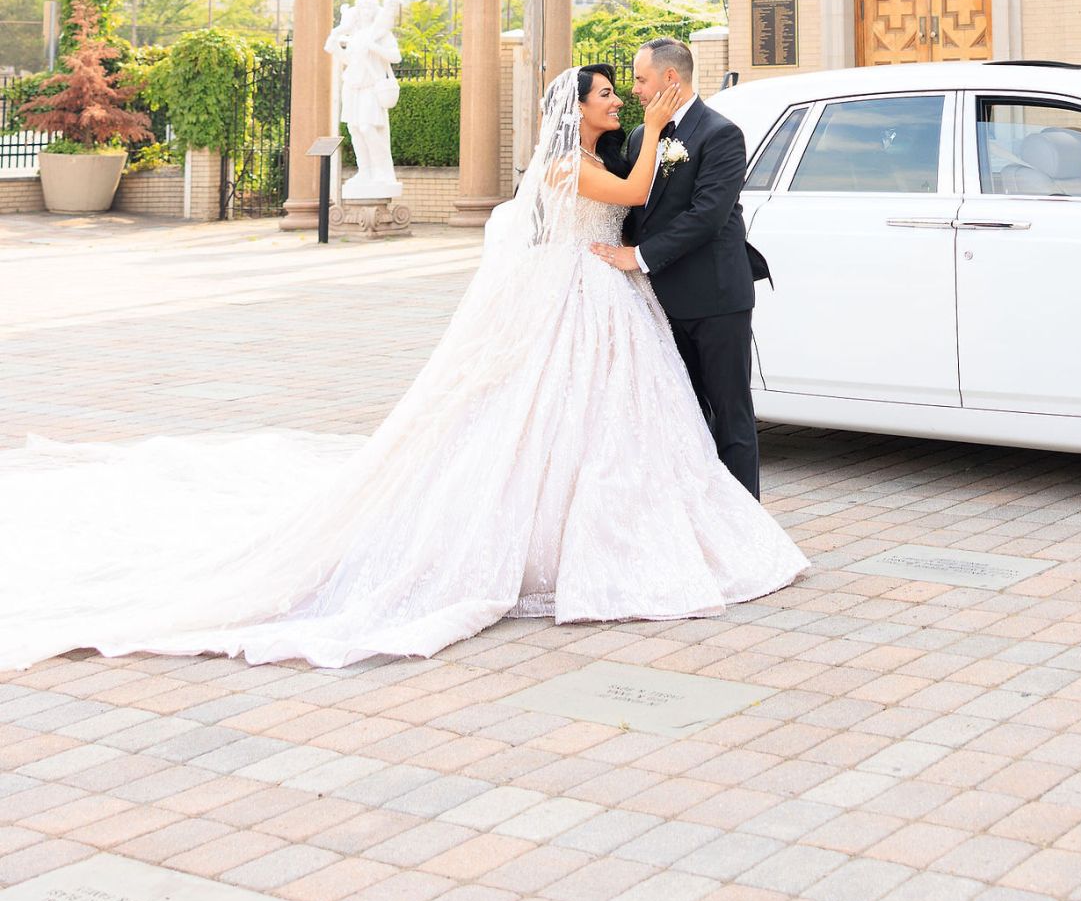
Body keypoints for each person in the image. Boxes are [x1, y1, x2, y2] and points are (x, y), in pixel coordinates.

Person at [0, 64, 805, 670]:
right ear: (577, 110)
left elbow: (650, 189)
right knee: (557, 415)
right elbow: (632, 186)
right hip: (583, 290)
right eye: (608, 95)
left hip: (606, 294)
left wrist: (657, 138)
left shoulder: (619, 145)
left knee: (622, 418)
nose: (620, 101)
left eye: (624, 92)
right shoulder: (568, 162)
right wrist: (663, 128)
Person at [590, 38, 769, 498]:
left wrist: (638, 257)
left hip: (715, 298)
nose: (634, 90)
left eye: (639, 79)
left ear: (671, 78)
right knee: (682, 416)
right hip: (659, 300)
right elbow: (631, 209)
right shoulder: (638, 137)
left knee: (730, 414)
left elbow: (707, 215)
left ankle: (745, 525)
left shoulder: (721, 133)